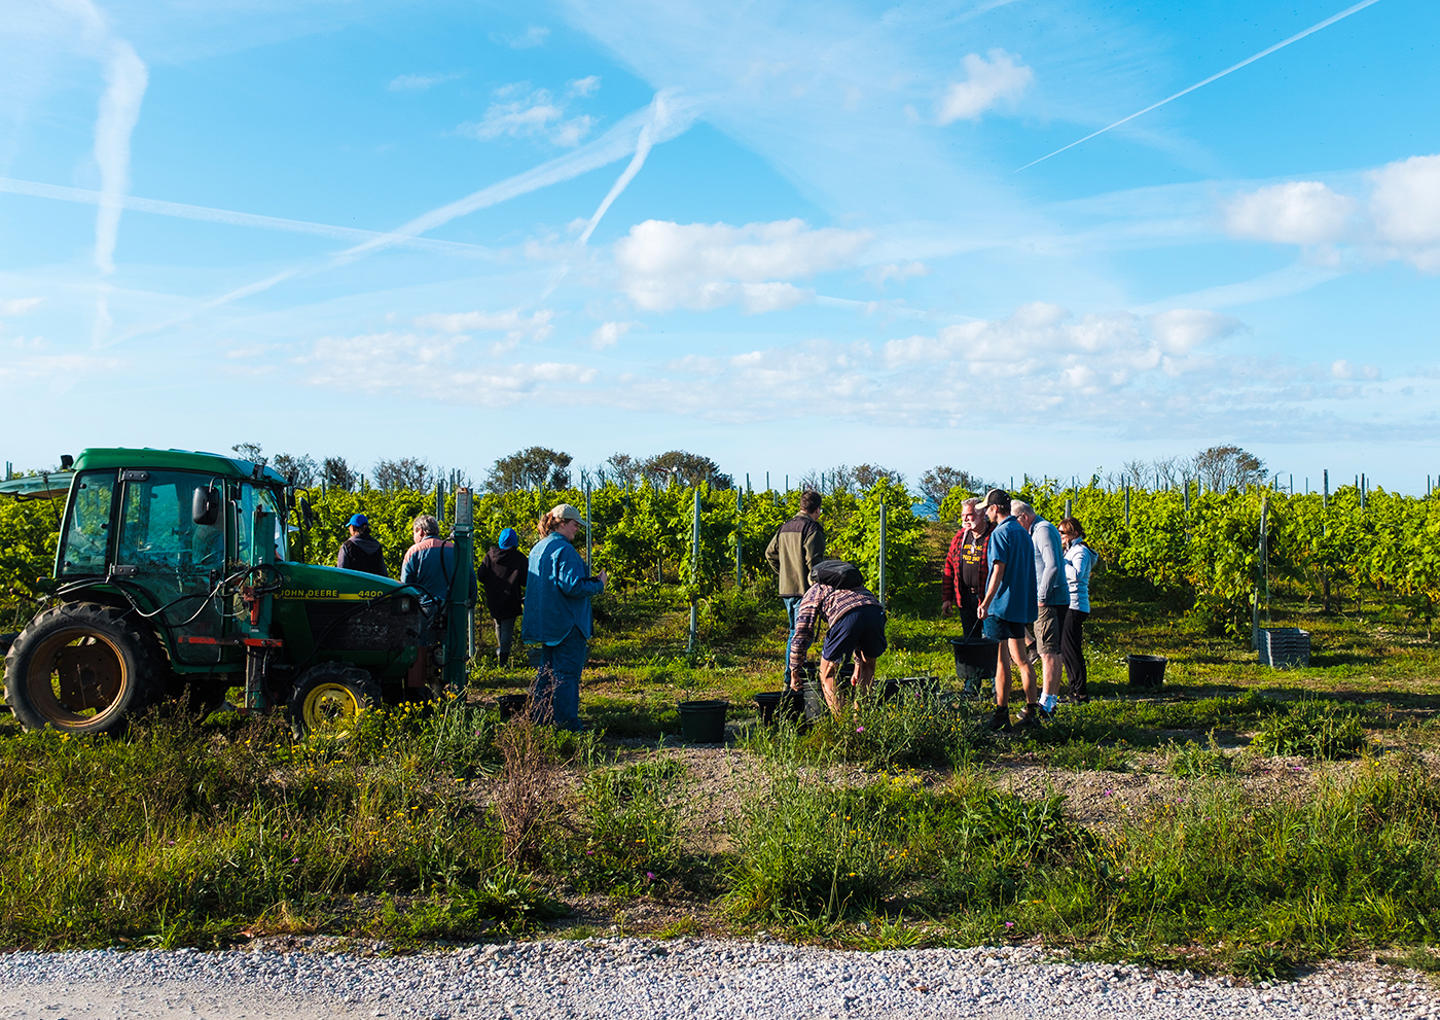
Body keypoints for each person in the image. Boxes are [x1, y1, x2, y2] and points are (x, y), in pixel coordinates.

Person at [520, 504, 607, 731]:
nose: (577, 529)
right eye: (575, 524)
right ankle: (567, 726)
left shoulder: (538, 548)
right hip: (568, 624)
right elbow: (572, 587)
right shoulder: (565, 550)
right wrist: (598, 584)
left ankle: (540, 722)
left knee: (546, 674)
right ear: (562, 523)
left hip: (548, 624)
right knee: (566, 676)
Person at [787, 561, 886, 716]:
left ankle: (844, 726)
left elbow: (801, 633)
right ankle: (861, 722)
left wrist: (794, 671)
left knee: (827, 673)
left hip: (846, 618)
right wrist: (858, 666)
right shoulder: (858, 588)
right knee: (868, 668)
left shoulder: (815, 590)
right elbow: (860, 617)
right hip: (875, 612)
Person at [976, 489, 1039, 730]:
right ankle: (1032, 709)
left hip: (1001, 604)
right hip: (1020, 603)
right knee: (1022, 659)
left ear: (995, 509)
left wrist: (986, 602)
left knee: (1001, 659)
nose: (986, 514)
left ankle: (1001, 712)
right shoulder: (1023, 533)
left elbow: (998, 569)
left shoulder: (1000, 534)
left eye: (987, 509)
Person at [1012, 500, 1068, 717]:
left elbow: (1053, 564)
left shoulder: (1043, 530)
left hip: (1049, 600)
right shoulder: (1036, 529)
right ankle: (1049, 700)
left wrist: (1042, 596)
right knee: (1049, 649)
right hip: (1045, 599)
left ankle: (1046, 703)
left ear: (1023, 517)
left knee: (1048, 651)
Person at [764, 490, 825, 689]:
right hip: (804, 590)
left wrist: (783, 573)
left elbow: (769, 553)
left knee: (793, 632)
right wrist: (817, 586)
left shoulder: (785, 527)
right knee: (801, 636)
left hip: (786, 588)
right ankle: (791, 678)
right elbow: (813, 562)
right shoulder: (811, 528)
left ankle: (791, 677)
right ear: (817, 509)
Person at [399, 514, 473, 621]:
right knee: (451, 637)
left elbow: (406, 585)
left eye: (414, 533)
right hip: (452, 608)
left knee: (424, 637)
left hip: (424, 609)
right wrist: (469, 603)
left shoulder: (413, 552)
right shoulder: (455, 550)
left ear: (420, 531)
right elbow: (470, 578)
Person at [940, 496, 991, 638]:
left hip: (988, 597)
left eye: (970, 515)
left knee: (991, 640)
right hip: (965, 597)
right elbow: (949, 567)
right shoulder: (960, 537)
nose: (965, 519)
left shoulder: (992, 535)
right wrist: (947, 598)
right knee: (970, 637)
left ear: (982, 514)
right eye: (963, 515)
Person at [1060, 516, 1097, 703]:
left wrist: (1061, 562)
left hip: (1075, 605)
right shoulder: (1072, 550)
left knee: (1071, 650)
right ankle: (1075, 689)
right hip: (1071, 603)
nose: (1060, 537)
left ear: (1074, 533)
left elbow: (1077, 574)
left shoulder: (1080, 551)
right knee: (1068, 649)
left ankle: (1080, 693)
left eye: (1063, 533)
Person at [477, 527, 526, 667]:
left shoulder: (490, 555)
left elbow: (481, 575)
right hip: (511, 599)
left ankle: (501, 654)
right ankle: (503, 659)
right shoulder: (519, 558)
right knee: (507, 629)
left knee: (498, 625)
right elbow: (525, 580)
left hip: (494, 598)